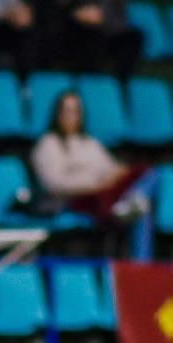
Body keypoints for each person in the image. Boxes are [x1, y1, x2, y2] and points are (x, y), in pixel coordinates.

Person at [31, 89, 157, 260]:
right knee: (139, 207)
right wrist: (95, 186)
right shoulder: (48, 144)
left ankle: (141, 264)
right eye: (67, 111)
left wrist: (120, 173)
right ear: (57, 113)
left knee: (149, 178)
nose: (71, 116)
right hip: (74, 200)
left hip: (103, 194)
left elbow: (110, 169)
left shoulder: (90, 143)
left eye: (76, 111)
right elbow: (54, 184)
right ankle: (128, 205)